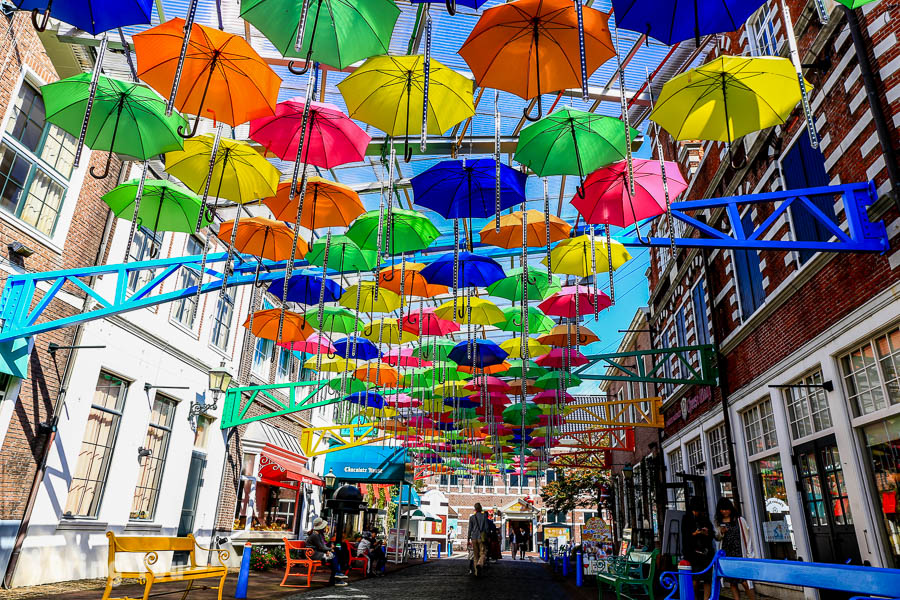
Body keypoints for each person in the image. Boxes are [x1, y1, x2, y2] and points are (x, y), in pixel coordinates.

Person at [715, 498, 757, 600]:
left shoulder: (739, 520)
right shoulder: (719, 522)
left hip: (739, 553)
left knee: (745, 581)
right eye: (722, 509)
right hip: (727, 554)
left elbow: (747, 538)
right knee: (732, 582)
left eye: (726, 509)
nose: (724, 512)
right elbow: (717, 538)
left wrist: (750, 554)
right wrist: (721, 532)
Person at [682, 496, 714, 600]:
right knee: (695, 578)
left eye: (698, 511)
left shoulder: (704, 519)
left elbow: (711, 534)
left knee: (707, 578)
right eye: (695, 511)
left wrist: (707, 533)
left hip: (705, 552)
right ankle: (695, 597)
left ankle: (706, 598)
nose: (696, 513)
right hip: (693, 553)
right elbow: (685, 536)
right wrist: (694, 534)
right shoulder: (686, 519)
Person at [306, 518, 349, 587]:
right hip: (314, 554)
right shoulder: (315, 535)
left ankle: (336, 579)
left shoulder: (319, 534)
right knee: (333, 556)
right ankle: (337, 576)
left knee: (334, 556)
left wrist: (328, 550)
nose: (325, 527)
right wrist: (329, 550)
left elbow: (323, 546)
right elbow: (321, 547)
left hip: (318, 552)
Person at [467, 502, 489, 576]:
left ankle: (476, 573)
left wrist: (468, 539)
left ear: (475, 509)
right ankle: (479, 564)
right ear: (481, 508)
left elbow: (470, 529)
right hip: (481, 538)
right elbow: (486, 528)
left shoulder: (472, 517)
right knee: (483, 553)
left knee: (475, 556)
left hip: (473, 538)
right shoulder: (484, 517)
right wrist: (487, 537)